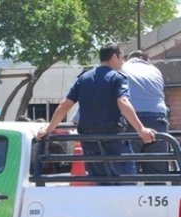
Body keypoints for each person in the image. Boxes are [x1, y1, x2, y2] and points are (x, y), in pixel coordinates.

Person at [36, 42, 155, 180]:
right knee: (126, 181)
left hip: (89, 140)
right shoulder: (117, 77)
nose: (123, 62)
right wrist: (141, 129)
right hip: (113, 138)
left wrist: (49, 128)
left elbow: (65, 105)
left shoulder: (83, 78)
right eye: (122, 58)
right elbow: (123, 102)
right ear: (114, 57)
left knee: (99, 181)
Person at [122, 50, 168, 175]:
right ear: (146, 59)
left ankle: (129, 194)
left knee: (129, 172)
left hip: (132, 121)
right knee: (157, 174)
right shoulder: (156, 70)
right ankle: (158, 193)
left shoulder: (122, 68)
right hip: (158, 121)